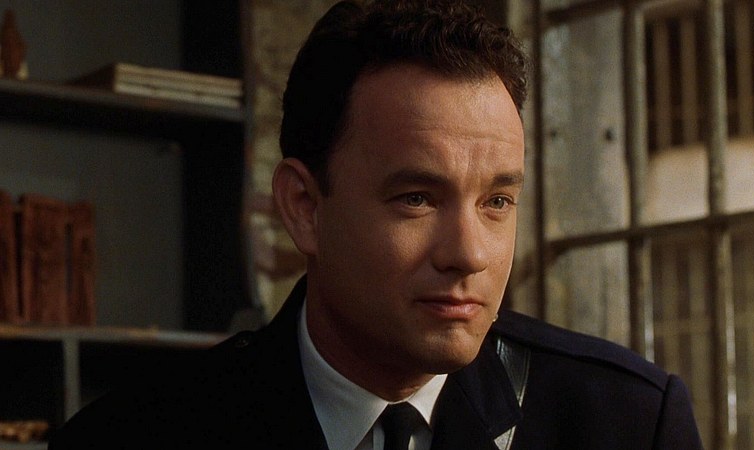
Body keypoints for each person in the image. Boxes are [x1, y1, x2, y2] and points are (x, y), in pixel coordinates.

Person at [50, 1, 703, 449]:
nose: (469, 254)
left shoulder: (628, 423)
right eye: (416, 198)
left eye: (496, 202)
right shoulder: (129, 438)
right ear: (304, 207)